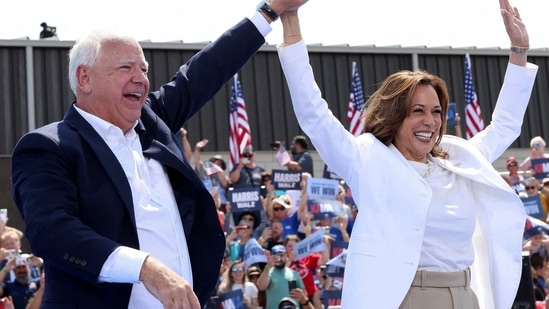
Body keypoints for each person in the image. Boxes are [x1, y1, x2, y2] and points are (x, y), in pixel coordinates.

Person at [10, 1, 309, 308]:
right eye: (126, 67)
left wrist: (270, 10)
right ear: (85, 78)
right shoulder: (48, 147)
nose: (141, 78)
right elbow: (51, 231)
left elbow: (207, 69)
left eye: (144, 69)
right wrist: (146, 268)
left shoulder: (152, 121)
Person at [275, 0, 537, 308]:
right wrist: (290, 21)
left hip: (468, 296)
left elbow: (504, 125)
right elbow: (313, 114)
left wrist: (519, 50)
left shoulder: (459, 158)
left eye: (437, 111)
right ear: (395, 115)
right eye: (418, 111)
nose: (431, 121)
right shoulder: (367, 159)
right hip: (406, 298)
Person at [256, 245, 305, 309]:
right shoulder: (268, 272)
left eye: (281, 255)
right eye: (276, 256)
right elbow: (261, 287)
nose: (279, 258)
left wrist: (298, 294)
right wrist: (268, 266)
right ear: (271, 257)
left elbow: (304, 294)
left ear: (286, 256)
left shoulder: (294, 274)